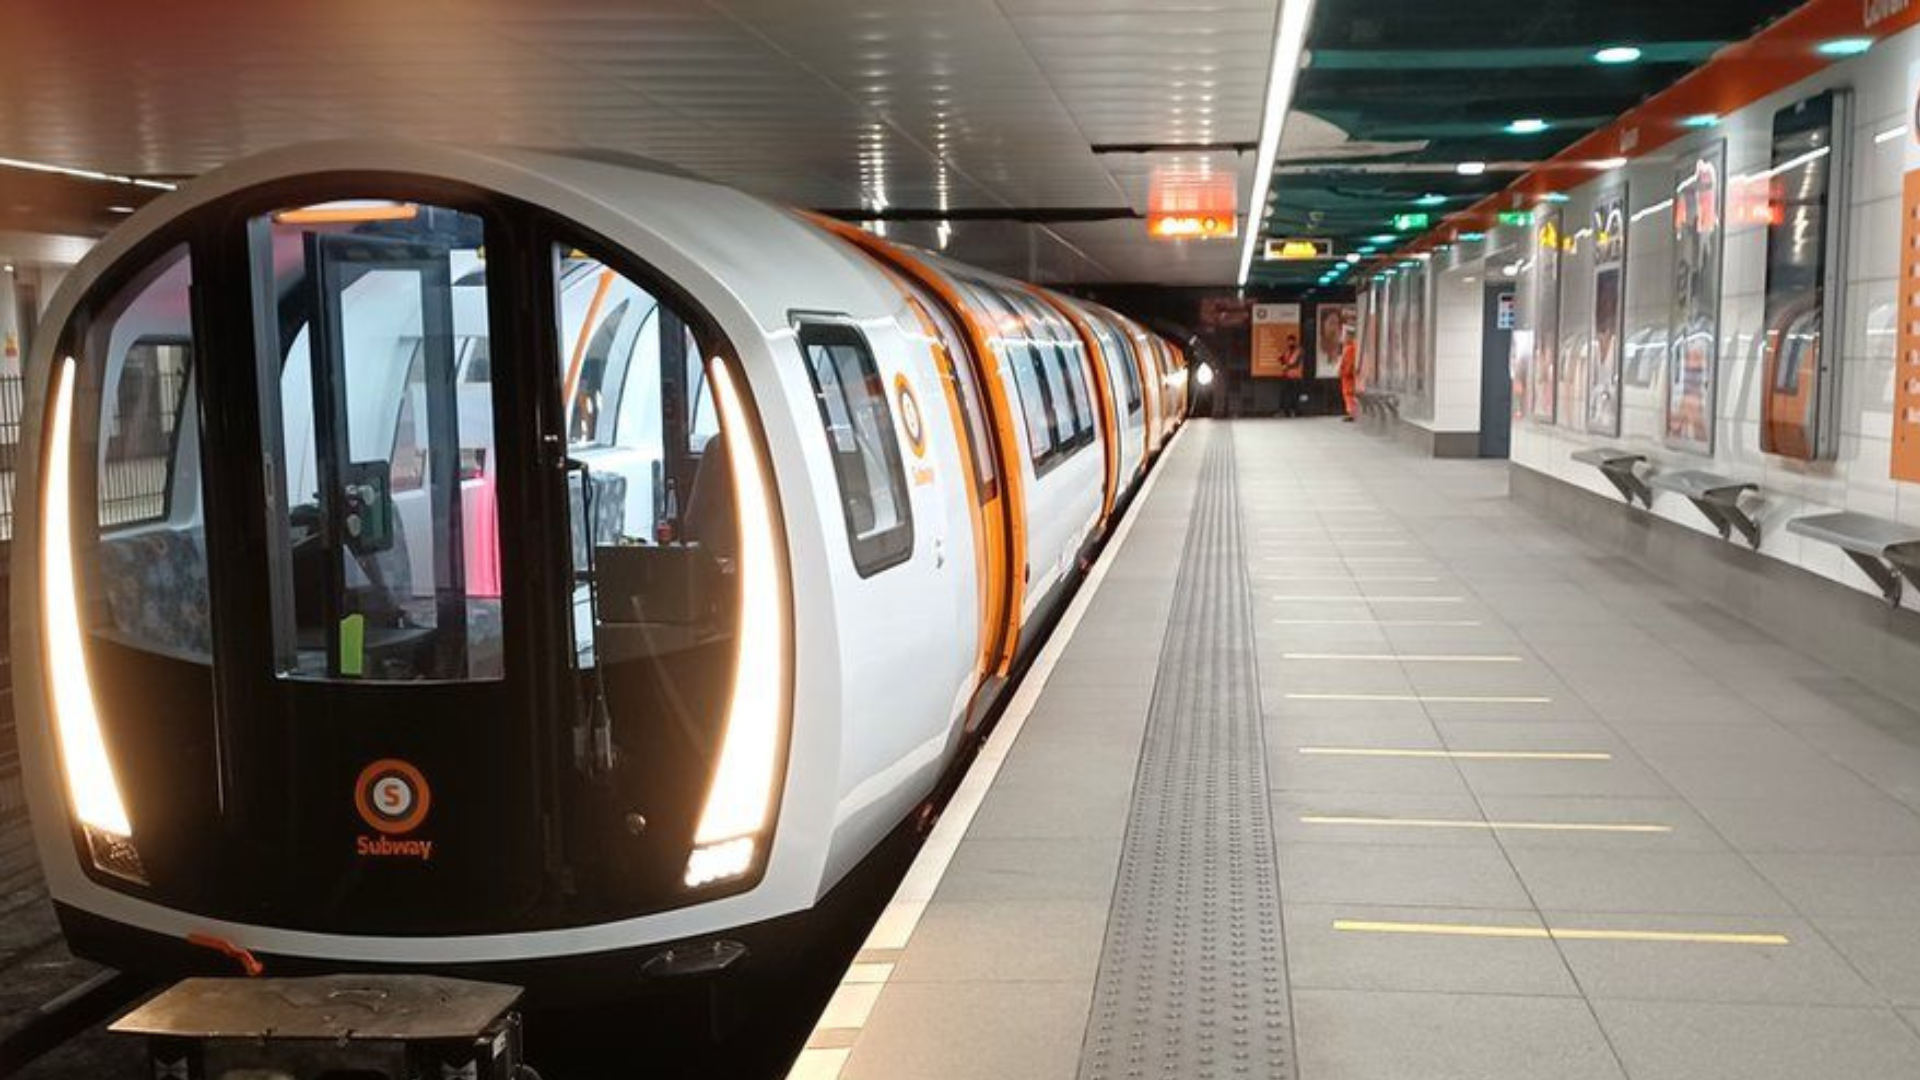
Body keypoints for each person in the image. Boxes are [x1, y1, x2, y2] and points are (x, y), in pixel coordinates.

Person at [1339, 329, 1359, 422]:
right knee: (1348, 394)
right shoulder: (1350, 347)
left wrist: (1345, 373)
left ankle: (1352, 413)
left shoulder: (1350, 348)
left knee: (1349, 394)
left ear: (1350, 337)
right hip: (1348, 376)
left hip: (1348, 377)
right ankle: (1351, 413)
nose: (1343, 338)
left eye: (1345, 336)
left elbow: (1350, 363)